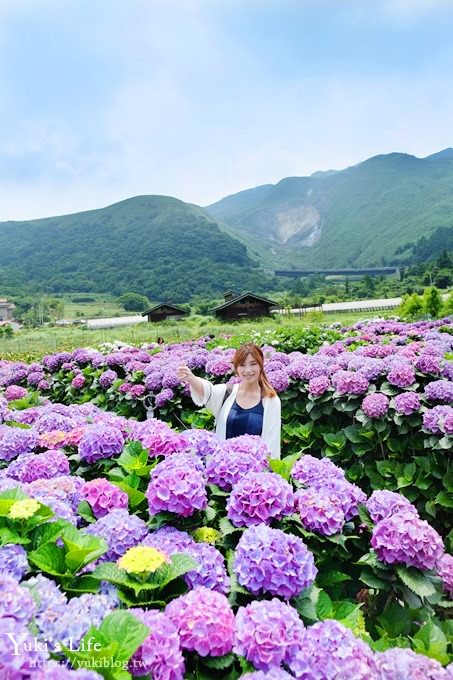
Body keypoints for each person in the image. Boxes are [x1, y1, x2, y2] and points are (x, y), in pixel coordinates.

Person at [176, 343, 281, 458]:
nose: (248, 370)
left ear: (261, 365)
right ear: (236, 368)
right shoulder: (227, 393)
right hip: (224, 470)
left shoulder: (271, 401)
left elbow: (272, 444)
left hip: (255, 471)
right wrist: (190, 378)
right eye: (242, 365)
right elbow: (207, 391)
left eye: (253, 364)